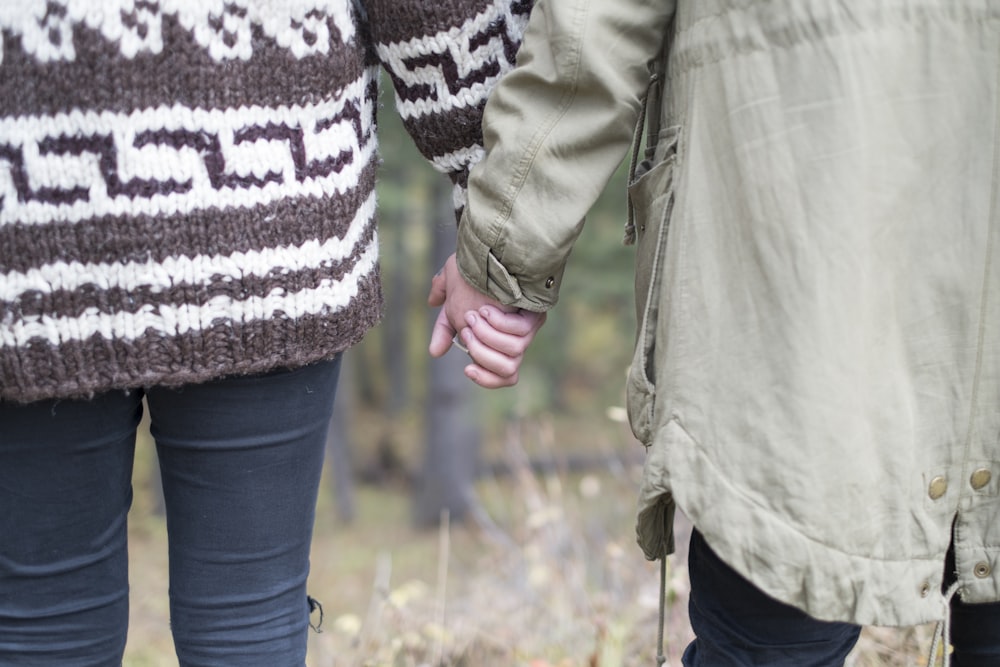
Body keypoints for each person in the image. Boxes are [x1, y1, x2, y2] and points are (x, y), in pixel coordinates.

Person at [429, 1, 1000, 665]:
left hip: (792, 249)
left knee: (771, 637)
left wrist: (503, 248)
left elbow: (595, 29)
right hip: (797, 241)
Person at [0, 1, 541, 664]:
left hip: (24, 225)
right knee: (247, 616)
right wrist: (492, 210)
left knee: (40, 621)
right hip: (268, 214)